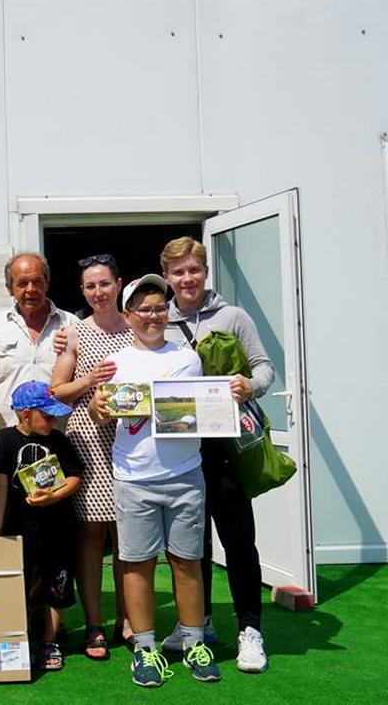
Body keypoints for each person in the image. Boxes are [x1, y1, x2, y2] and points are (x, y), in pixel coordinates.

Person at [89, 274, 224, 688]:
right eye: (144, 309)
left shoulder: (187, 357)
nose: (153, 316)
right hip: (134, 477)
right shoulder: (115, 362)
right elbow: (100, 412)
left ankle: (194, 642)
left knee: (187, 561)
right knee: (138, 563)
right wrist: (98, 405)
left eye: (160, 308)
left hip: (185, 474)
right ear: (128, 315)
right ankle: (145, 648)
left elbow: (195, 408)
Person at [159, 236, 274, 673]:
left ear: (206, 272)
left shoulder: (233, 316)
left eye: (194, 270)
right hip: (181, 450)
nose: (187, 278)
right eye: (178, 272)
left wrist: (250, 384)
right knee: (192, 545)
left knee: (239, 541)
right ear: (167, 277)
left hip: (227, 449)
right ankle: (199, 621)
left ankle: (250, 629)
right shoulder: (160, 321)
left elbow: (264, 367)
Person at [50, 253, 133, 660]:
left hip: (133, 441)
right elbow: (56, 391)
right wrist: (89, 379)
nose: (98, 292)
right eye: (90, 286)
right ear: (82, 292)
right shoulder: (74, 333)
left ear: (119, 285)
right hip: (88, 441)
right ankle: (95, 623)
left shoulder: (137, 328)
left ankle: (128, 619)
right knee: (90, 536)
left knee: (128, 537)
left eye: (104, 283)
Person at [0, 381, 81, 671]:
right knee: (18, 586)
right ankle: (21, 638)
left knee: (57, 585)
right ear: (25, 414)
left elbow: (74, 477)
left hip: (58, 528)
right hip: (18, 530)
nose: (52, 422)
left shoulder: (59, 440)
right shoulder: (4, 440)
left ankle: (50, 640)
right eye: (47, 416)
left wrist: (53, 497)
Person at [0, 252, 79, 427]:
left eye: (37, 282)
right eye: (22, 283)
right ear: (9, 288)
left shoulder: (71, 324)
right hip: (8, 431)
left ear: (47, 283)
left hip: (56, 431)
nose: (31, 289)